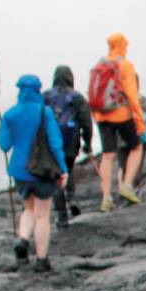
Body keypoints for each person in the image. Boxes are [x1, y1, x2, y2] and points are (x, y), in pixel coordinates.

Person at [0, 74, 68, 272]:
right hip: (42, 170)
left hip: (19, 171)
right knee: (42, 215)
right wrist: (63, 169)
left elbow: (4, 145)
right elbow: (55, 143)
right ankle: (42, 260)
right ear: (37, 90)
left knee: (28, 208)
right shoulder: (45, 113)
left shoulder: (10, 114)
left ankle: (23, 239)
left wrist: (0, 130)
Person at [89, 32, 146, 211]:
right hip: (121, 114)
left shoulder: (99, 65)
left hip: (101, 115)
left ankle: (106, 198)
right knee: (136, 147)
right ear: (122, 46)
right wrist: (140, 122)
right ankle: (127, 185)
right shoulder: (125, 65)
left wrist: (95, 115)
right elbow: (132, 96)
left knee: (107, 155)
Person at [42, 65, 93, 225]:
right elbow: (87, 123)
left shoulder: (46, 96)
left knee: (56, 176)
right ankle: (72, 199)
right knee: (68, 170)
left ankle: (62, 215)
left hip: (51, 143)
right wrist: (87, 143)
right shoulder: (77, 97)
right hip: (71, 142)